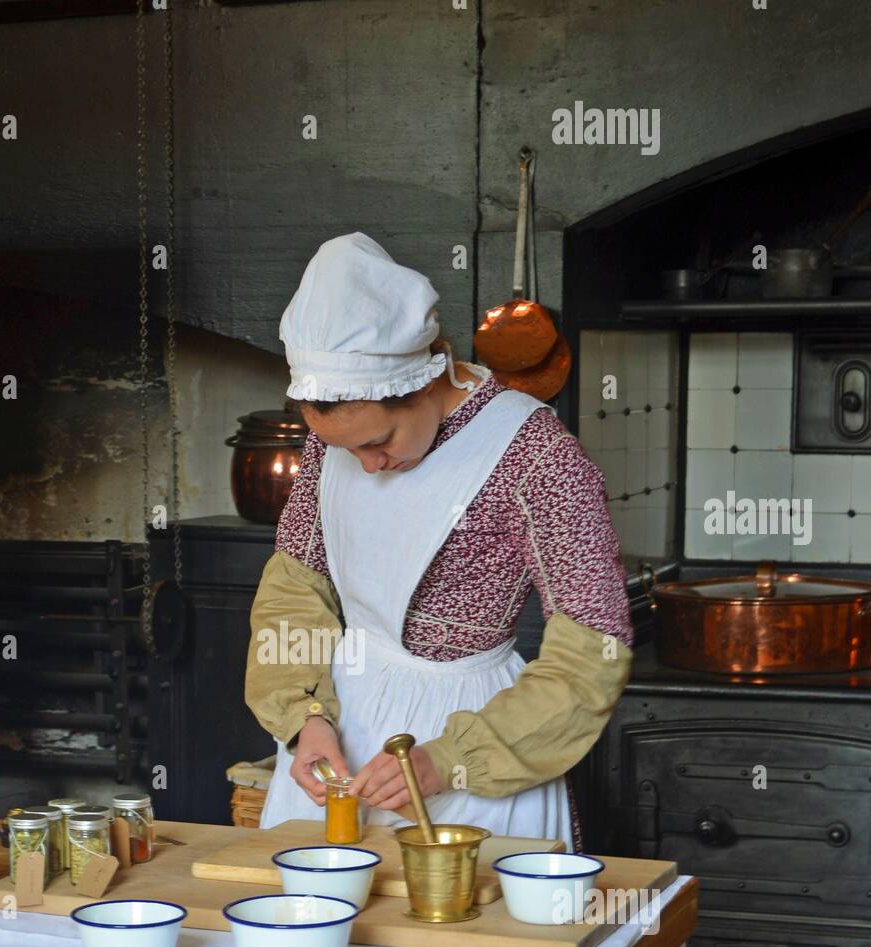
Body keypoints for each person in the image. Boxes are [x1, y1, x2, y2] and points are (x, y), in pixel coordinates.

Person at [246, 231, 633, 847]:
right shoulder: (334, 439)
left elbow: (593, 645)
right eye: (349, 449)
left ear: (425, 380)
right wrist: (304, 721)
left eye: (379, 443)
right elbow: (295, 592)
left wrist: (453, 758)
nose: (368, 466)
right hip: (339, 732)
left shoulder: (537, 456)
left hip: (472, 738)